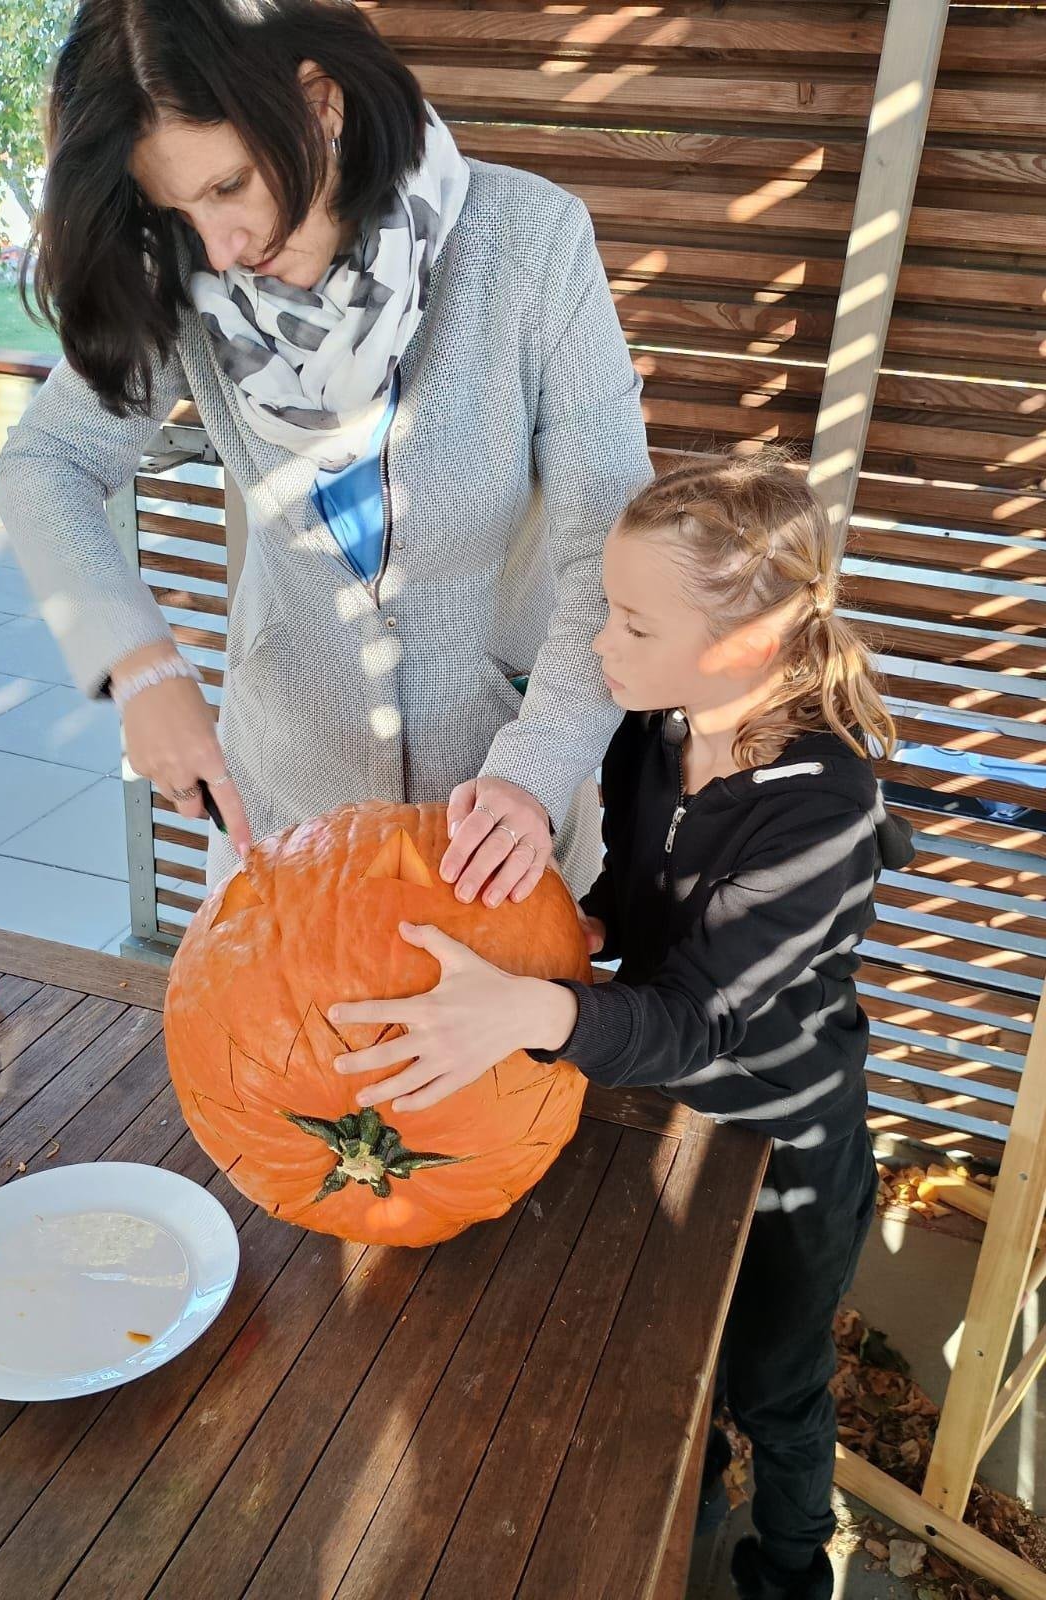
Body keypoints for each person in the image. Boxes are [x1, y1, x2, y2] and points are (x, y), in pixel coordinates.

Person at [330, 450, 915, 1600]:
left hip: (781, 1149)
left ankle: (791, 1565)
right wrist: (565, 932)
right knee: (675, 1358)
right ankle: (688, 1506)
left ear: (750, 641)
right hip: (664, 1114)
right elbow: (637, 900)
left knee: (774, 1382)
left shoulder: (824, 811)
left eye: (634, 626)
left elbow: (699, 1020)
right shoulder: (658, 729)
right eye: (605, 608)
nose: (599, 646)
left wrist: (528, 1010)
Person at [0, 0, 650, 906]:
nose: (220, 247)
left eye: (229, 186)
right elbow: (44, 462)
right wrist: (137, 663)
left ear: (319, 103)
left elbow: (608, 555)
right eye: (177, 207)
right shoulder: (183, 275)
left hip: (499, 831)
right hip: (286, 822)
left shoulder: (530, 243)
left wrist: (534, 772)